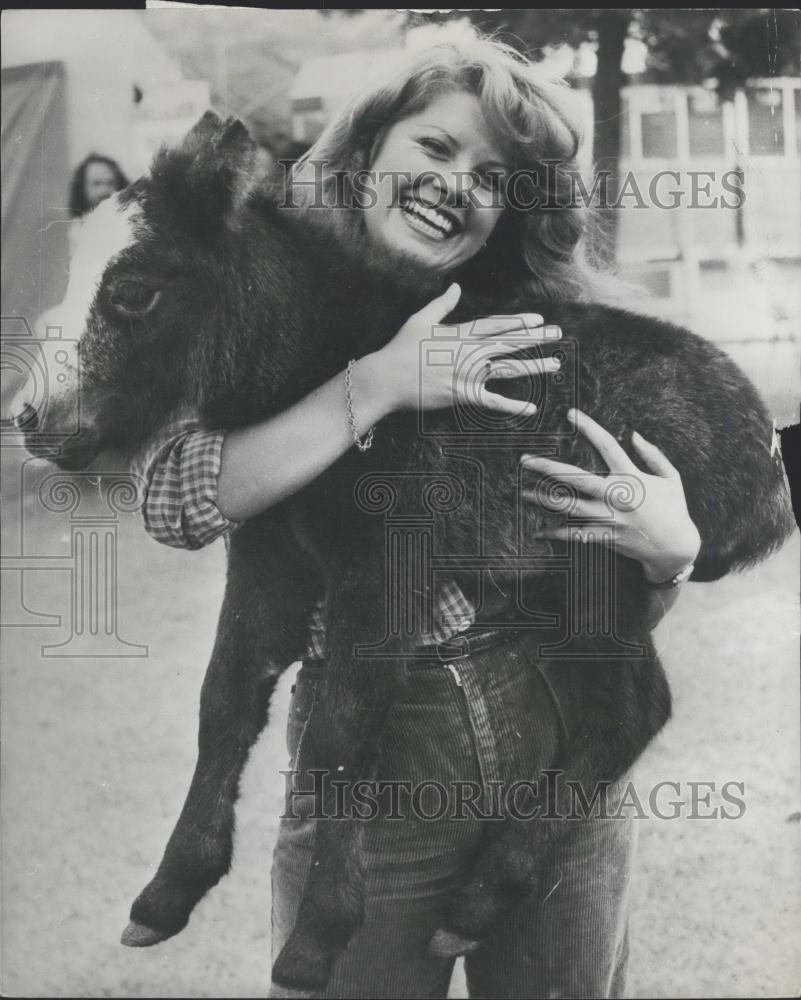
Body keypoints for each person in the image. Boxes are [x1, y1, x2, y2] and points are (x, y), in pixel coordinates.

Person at [132, 35, 701, 999]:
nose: (455, 186)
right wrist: (380, 385)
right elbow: (174, 499)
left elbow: (607, 599)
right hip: (375, 773)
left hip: (561, 767)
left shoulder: (534, 328)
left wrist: (667, 555)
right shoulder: (260, 290)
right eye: (434, 149)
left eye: (493, 178)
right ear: (368, 147)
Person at [67, 153, 129, 253]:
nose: (103, 191)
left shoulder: (126, 222)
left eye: (110, 183)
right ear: (82, 187)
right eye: (96, 184)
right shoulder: (77, 229)